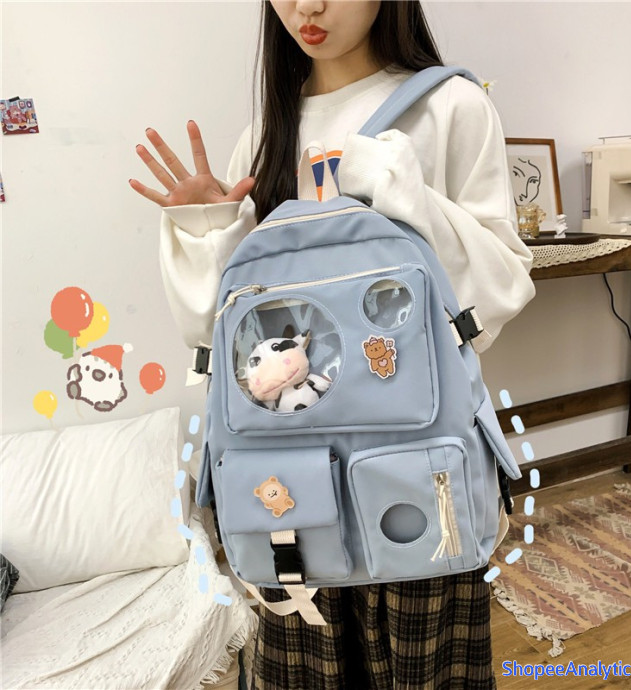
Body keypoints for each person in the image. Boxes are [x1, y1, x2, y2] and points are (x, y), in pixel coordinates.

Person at [130, 2, 535, 687]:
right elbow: (224, 336)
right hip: (285, 480)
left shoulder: (450, 106)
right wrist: (209, 231)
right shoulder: (264, 135)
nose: (306, 8)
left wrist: (406, 193)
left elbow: (499, 289)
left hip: (416, 463)